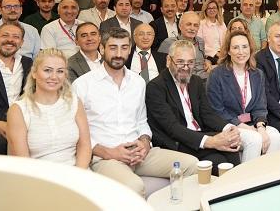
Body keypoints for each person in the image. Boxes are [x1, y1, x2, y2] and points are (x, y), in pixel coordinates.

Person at [73, 28, 197, 195]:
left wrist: (145, 143)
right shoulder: (83, 85)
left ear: (130, 49)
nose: (119, 54)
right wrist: (109, 152)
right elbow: (77, 132)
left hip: (140, 153)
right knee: (135, 186)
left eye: (124, 47)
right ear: (102, 49)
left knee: (193, 165)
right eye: (113, 48)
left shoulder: (137, 82)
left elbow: (142, 121)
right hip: (106, 157)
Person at [145, 39, 241, 175]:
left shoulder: (195, 81)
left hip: (198, 136)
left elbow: (207, 114)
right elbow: (172, 127)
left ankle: (238, 186)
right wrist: (210, 141)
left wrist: (228, 128)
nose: (185, 67)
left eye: (190, 62)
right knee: (221, 157)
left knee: (228, 148)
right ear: (168, 61)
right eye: (180, 62)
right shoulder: (156, 87)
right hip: (177, 142)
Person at [6, 48, 91, 167]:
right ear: (34, 73)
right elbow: (23, 162)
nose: (54, 77)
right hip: (37, 176)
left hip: (76, 173)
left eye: (60, 71)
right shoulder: (18, 110)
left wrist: (77, 174)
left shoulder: (74, 102)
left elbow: (85, 145)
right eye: (47, 70)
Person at [207, 30, 280, 161]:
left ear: (250, 49)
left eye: (244, 47)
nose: (241, 52)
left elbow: (260, 106)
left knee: (274, 135)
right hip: (228, 125)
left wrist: (261, 127)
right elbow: (217, 110)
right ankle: (248, 174)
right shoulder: (217, 75)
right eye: (235, 47)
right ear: (228, 51)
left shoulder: (257, 74)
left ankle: (270, 173)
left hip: (251, 123)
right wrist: (246, 128)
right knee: (254, 139)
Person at [0, 23, 33, 154]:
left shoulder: (28, 63)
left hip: (22, 121)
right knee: (0, 143)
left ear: (21, 43)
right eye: (5, 35)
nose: (10, 40)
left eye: (16, 37)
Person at [159, 12, 210, 79]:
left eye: (196, 25)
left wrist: (207, 61)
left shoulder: (200, 41)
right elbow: (161, 68)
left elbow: (202, 59)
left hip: (205, 79)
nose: (192, 28)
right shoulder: (169, 43)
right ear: (180, 26)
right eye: (189, 24)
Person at [197, 0, 226, 65]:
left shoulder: (222, 24)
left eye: (214, 8)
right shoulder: (201, 24)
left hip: (222, 54)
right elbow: (199, 43)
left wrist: (223, 53)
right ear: (205, 10)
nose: (212, 10)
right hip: (208, 55)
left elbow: (226, 40)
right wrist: (215, 53)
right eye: (209, 8)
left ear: (217, 10)